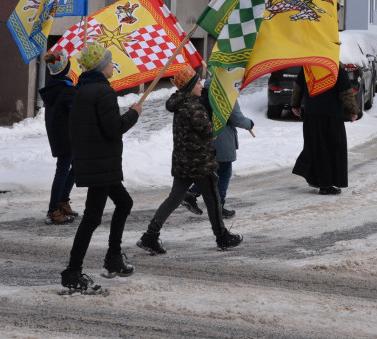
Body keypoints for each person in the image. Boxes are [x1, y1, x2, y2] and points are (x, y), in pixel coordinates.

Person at [60, 41, 143, 292]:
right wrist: (134, 114)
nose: (112, 65)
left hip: (95, 162)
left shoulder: (82, 90)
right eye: (109, 62)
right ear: (101, 66)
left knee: (124, 203)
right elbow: (114, 128)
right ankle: (73, 272)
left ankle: (113, 259)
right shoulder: (103, 92)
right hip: (101, 164)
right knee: (91, 219)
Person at [137, 65, 242, 255]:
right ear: (191, 86)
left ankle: (150, 236)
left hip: (182, 162)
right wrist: (212, 131)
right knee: (213, 200)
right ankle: (222, 237)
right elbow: (208, 131)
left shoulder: (180, 104)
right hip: (200, 162)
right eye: (198, 82)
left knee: (174, 199)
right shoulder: (194, 106)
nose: (201, 86)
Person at [291, 63, 360, 195]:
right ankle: (326, 185)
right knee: (332, 150)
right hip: (332, 116)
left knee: (316, 149)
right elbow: (345, 93)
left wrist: (295, 104)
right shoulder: (336, 68)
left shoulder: (308, 66)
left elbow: (298, 86)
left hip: (312, 115)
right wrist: (354, 110)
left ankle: (317, 180)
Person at [183, 93, 254, 220]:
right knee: (224, 172)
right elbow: (237, 118)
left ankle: (192, 194)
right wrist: (249, 124)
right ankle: (218, 207)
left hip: (207, 136)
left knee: (212, 171)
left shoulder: (206, 90)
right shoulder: (226, 92)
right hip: (222, 136)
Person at [40, 50, 79, 225]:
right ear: (65, 71)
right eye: (69, 69)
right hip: (67, 136)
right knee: (63, 170)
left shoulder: (54, 87)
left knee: (75, 166)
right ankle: (54, 209)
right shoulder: (66, 90)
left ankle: (62, 201)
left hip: (59, 134)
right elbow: (76, 113)